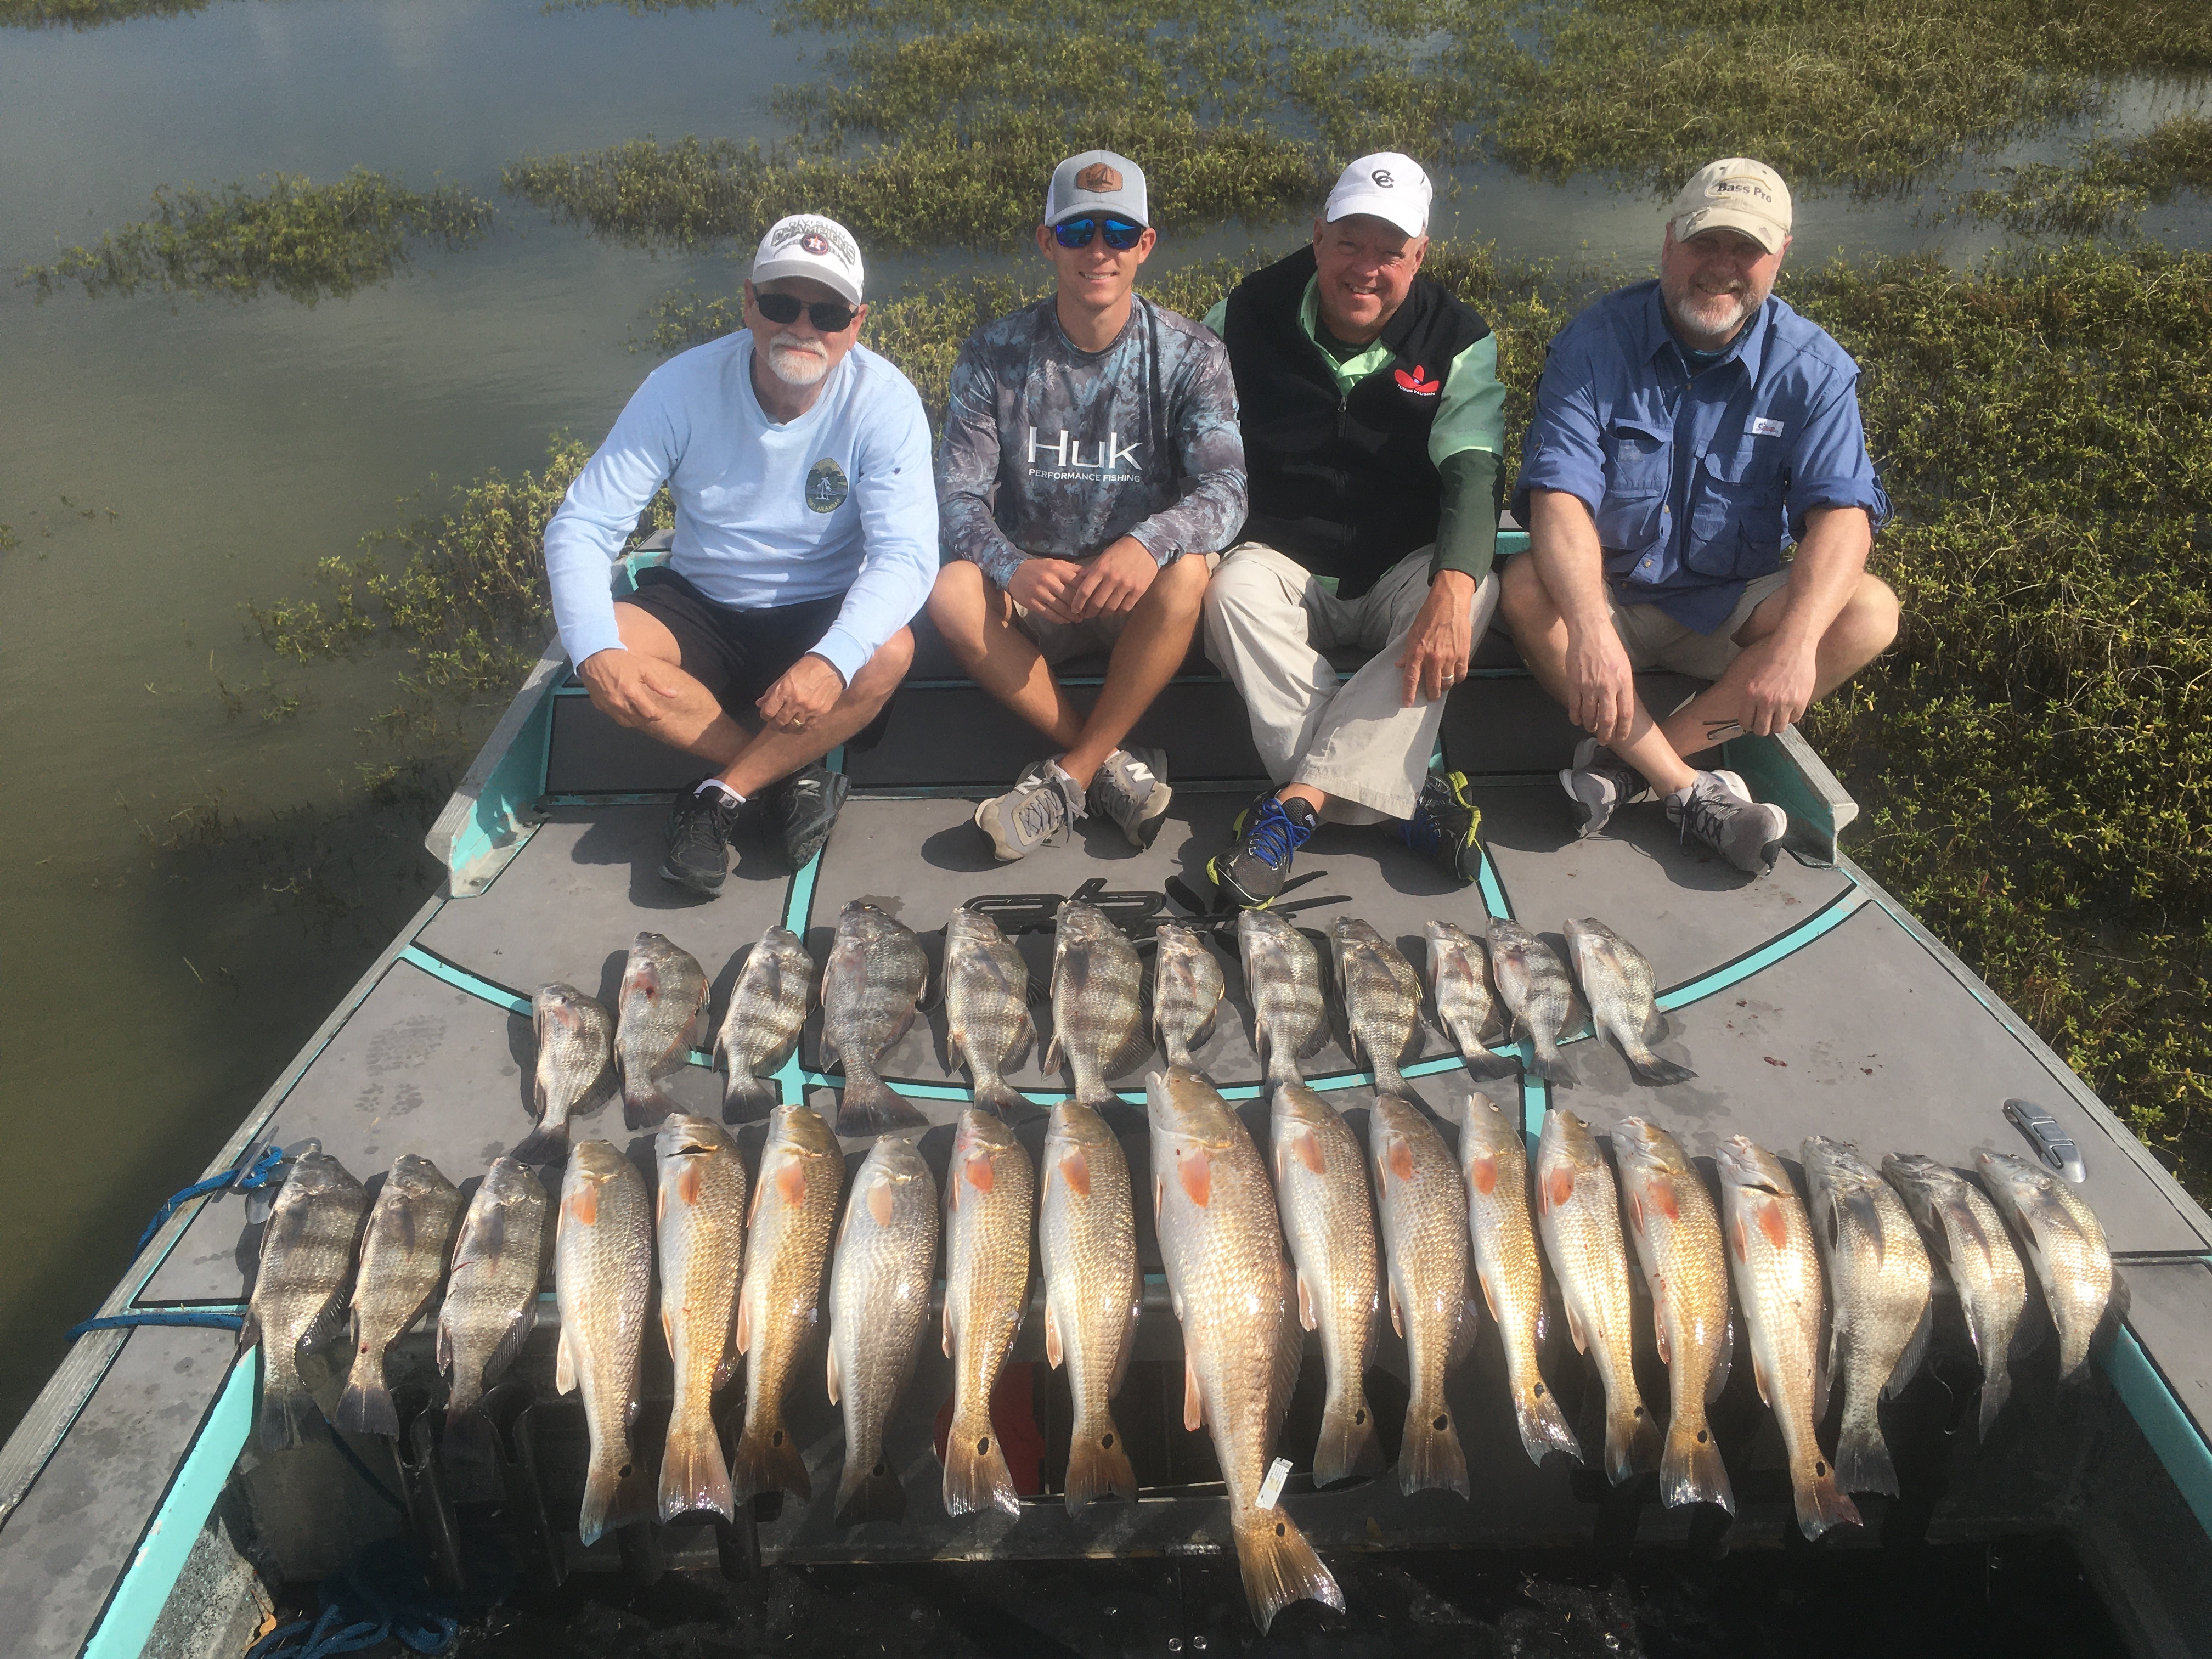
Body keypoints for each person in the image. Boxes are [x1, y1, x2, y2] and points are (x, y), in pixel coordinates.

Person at [1500, 158, 1900, 875]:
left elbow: (1843, 516)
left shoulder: (1814, 368)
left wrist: (1796, 643)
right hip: (1613, 600)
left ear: (1779, 257)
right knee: (1527, 585)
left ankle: (1633, 770)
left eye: (1746, 249)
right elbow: (1556, 497)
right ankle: (1688, 788)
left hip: (1727, 611)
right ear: (1667, 243)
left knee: (1868, 611)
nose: (1722, 267)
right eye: (1704, 244)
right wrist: (1591, 629)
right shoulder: (1593, 344)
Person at [543, 214, 936, 897]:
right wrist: (592, 652)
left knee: (890, 651)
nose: (804, 327)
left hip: (823, 604)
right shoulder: (679, 386)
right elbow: (581, 526)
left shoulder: (887, 402)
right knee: (605, 645)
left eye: (829, 312)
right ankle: (790, 774)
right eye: (782, 304)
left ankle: (720, 795)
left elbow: (906, 557)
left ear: (857, 322)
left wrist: (830, 658)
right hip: (700, 600)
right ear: (749, 302)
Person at [1198, 153, 1503, 909]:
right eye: (1349, 243)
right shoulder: (1241, 315)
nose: (1366, 269)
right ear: (1318, 235)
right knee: (1230, 593)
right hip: (1279, 556)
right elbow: (1191, 437)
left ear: (1420, 256)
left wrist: (1453, 584)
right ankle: (1395, 799)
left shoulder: (1459, 338)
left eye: (1390, 252)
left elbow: (1473, 475)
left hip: (1399, 559)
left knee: (1476, 589)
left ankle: (1298, 805)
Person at [930, 150, 1247, 860]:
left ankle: (1068, 777)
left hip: (1137, 599)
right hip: (1037, 595)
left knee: (1191, 571)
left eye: (1117, 232)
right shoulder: (993, 353)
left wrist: (1148, 543)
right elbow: (956, 495)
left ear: (1145, 245)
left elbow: (1227, 490)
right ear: (1048, 242)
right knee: (953, 591)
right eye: (1077, 233)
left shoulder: (1194, 354)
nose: (1098, 251)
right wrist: (1011, 567)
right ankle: (1106, 764)